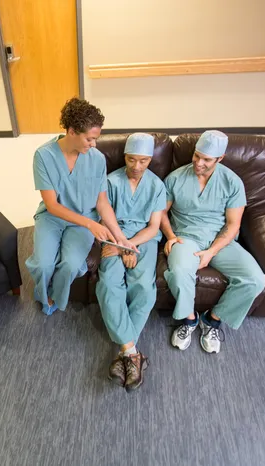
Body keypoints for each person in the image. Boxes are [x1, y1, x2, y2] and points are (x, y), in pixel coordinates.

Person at [25, 97, 135, 316]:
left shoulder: (96, 159)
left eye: (96, 138)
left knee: (72, 265)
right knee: (43, 265)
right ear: (72, 131)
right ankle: (42, 293)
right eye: (90, 139)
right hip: (53, 216)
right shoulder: (44, 156)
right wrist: (90, 225)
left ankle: (57, 295)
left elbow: (102, 202)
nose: (94, 144)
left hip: (84, 217)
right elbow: (52, 205)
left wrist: (120, 237)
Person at [161, 130, 265, 354]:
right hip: (186, 237)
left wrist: (211, 252)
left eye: (206, 159)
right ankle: (189, 320)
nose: (199, 163)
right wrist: (171, 236)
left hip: (221, 240)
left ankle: (212, 320)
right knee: (180, 273)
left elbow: (232, 225)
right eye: (196, 156)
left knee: (255, 279)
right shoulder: (175, 178)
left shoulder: (232, 182)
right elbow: (161, 213)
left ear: (220, 159)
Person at [96, 133, 165, 391]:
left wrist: (133, 245)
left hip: (144, 240)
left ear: (151, 160)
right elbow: (104, 219)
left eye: (144, 161)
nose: (136, 166)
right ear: (124, 156)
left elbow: (154, 226)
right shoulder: (110, 182)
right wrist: (121, 244)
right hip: (115, 237)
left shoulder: (157, 186)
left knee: (145, 289)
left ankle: (125, 354)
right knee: (109, 286)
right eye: (131, 159)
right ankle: (133, 354)